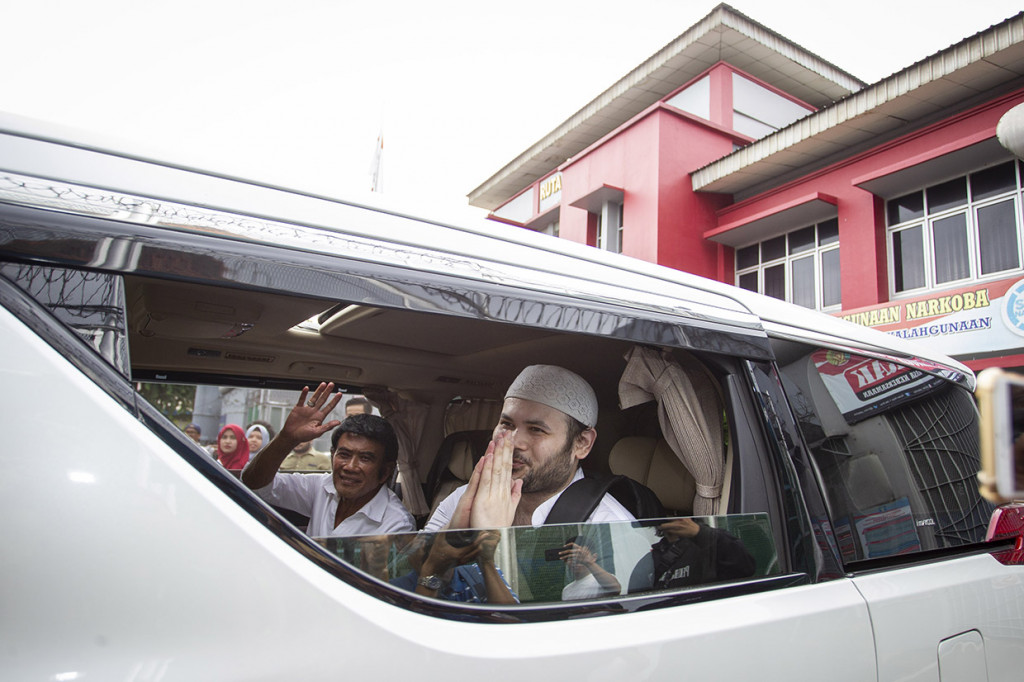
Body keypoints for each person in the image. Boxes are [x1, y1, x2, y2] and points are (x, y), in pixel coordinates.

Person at [424, 364, 635, 531]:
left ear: (582, 443)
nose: (514, 442)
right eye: (507, 424)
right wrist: (453, 534)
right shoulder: (466, 498)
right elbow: (415, 575)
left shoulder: (607, 527)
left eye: (536, 429)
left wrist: (488, 540)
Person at [241, 382, 415, 537]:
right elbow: (255, 483)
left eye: (365, 458)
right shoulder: (322, 487)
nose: (350, 466)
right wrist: (287, 439)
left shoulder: (397, 524)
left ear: (385, 471)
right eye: (344, 455)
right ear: (333, 455)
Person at [627, 518, 756, 592]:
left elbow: (746, 568)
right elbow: (637, 605)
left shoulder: (713, 544)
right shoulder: (650, 560)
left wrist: (701, 533)